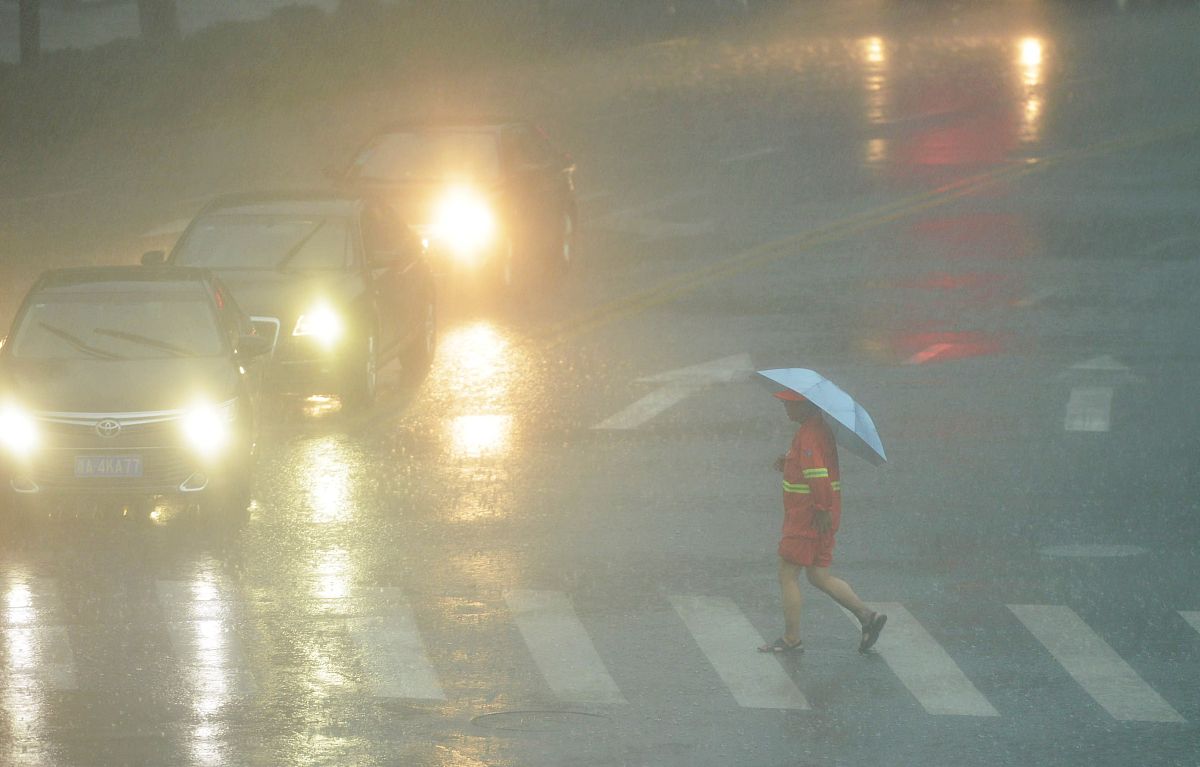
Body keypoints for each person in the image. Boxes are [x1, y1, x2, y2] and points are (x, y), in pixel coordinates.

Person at [757, 390, 886, 654]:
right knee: (818, 575)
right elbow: (813, 468)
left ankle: (791, 640)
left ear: (804, 406)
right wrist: (789, 462)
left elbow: (818, 476)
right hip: (820, 517)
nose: (785, 409)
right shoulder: (817, 430)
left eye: (788, 404)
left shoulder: (809, 435)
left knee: (787, 574)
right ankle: (867, 617)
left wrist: (822, 508)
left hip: (807, 518)